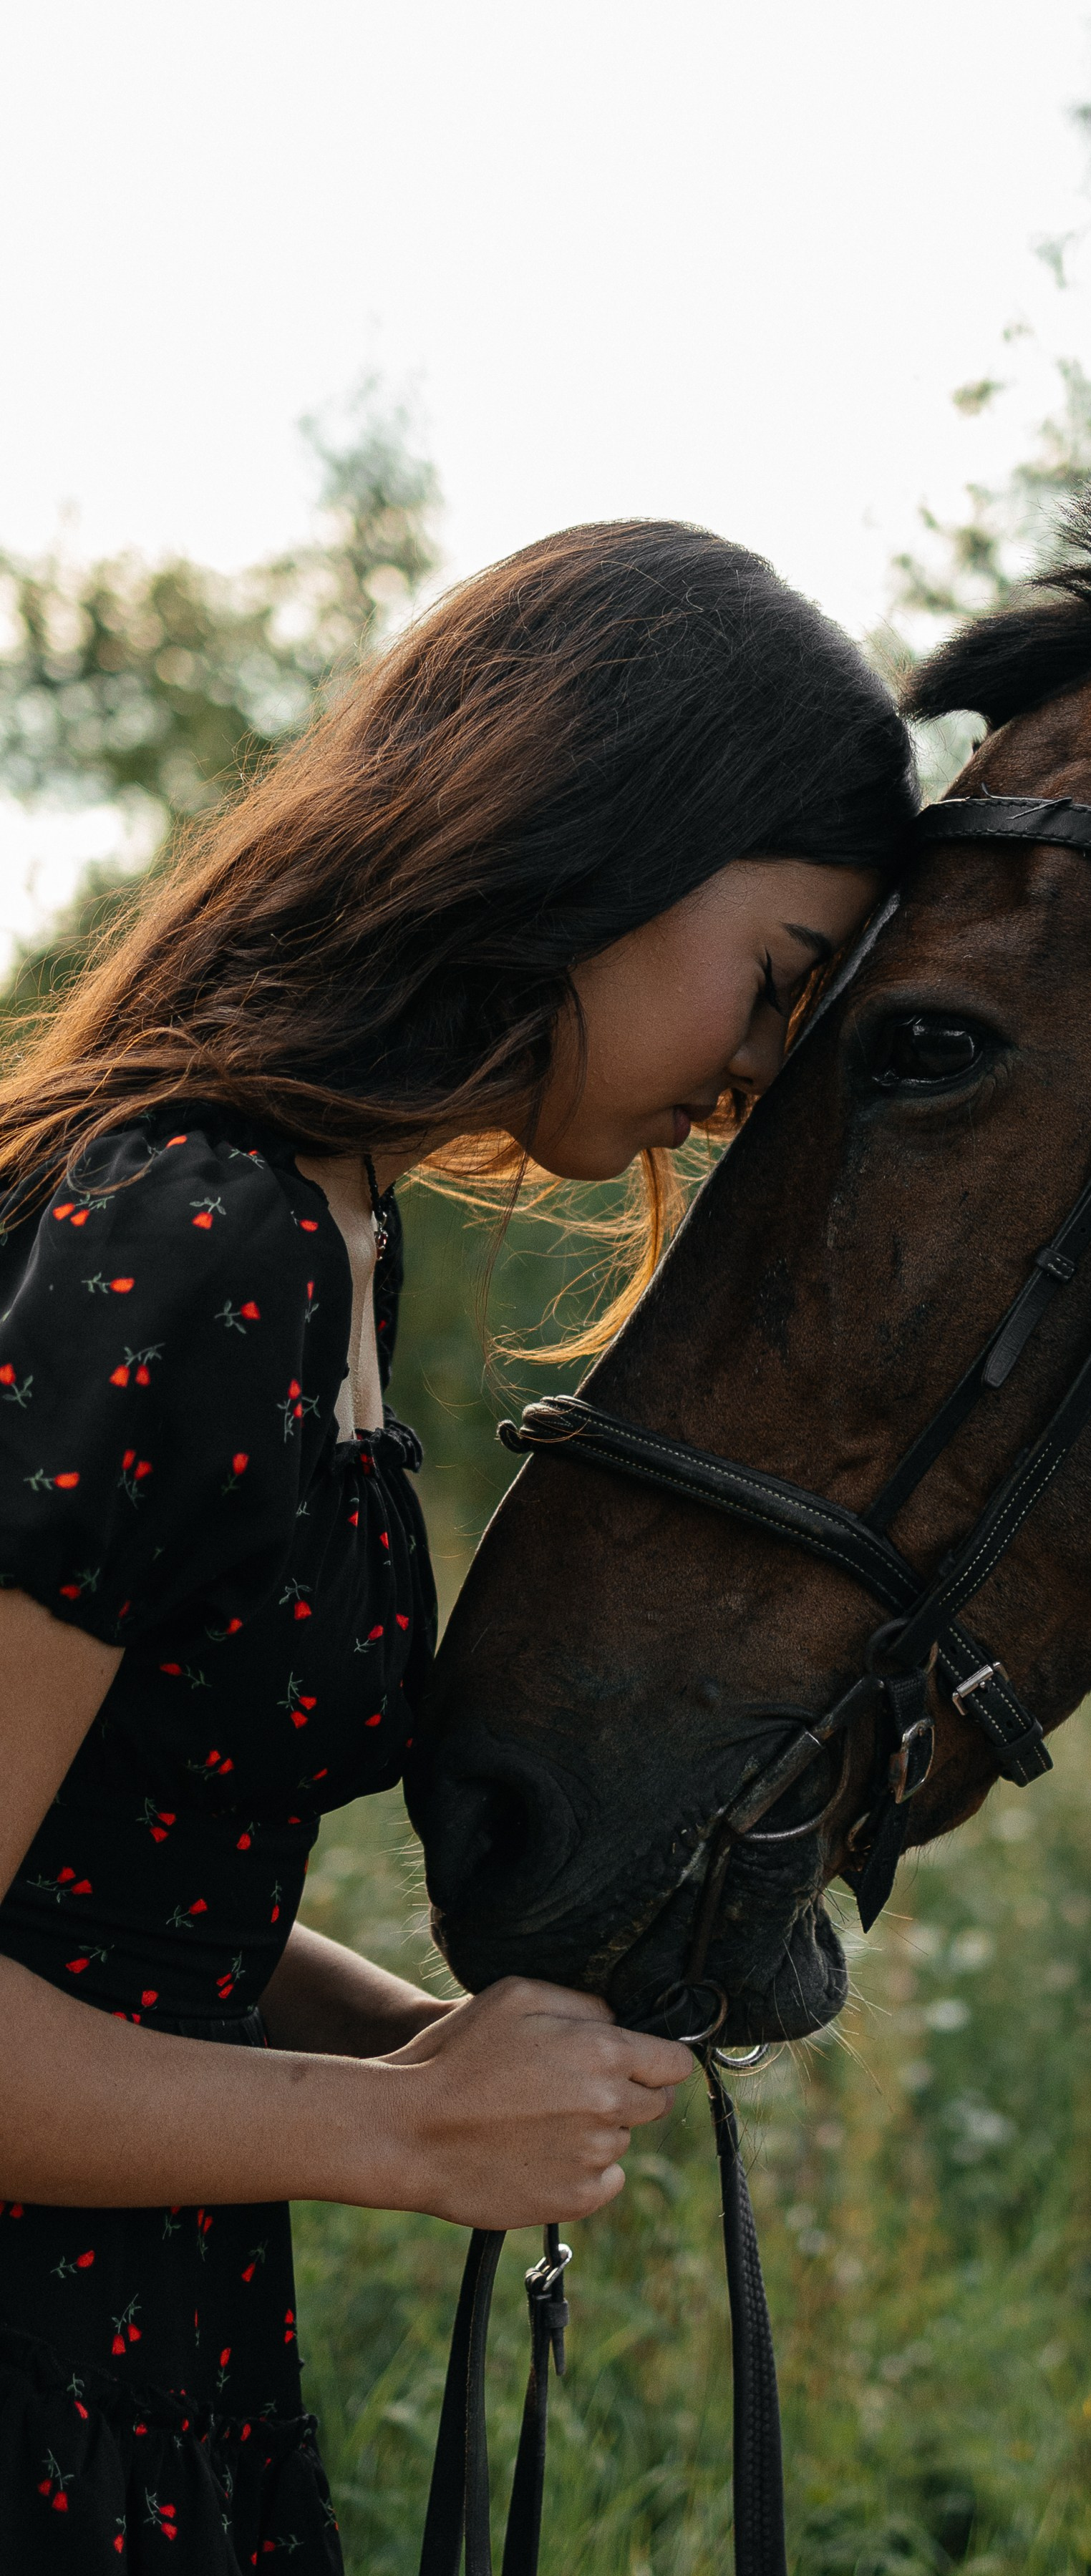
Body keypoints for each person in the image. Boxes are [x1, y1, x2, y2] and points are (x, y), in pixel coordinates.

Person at [0, 519, 913, 2569]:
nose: (749, 1087)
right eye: (773, 987)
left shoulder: (332, 1235)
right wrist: (402, 2132)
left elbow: (115, 1914)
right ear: (604, 828)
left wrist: (405, 2038)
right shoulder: (197, 1237)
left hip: (156, 2355)